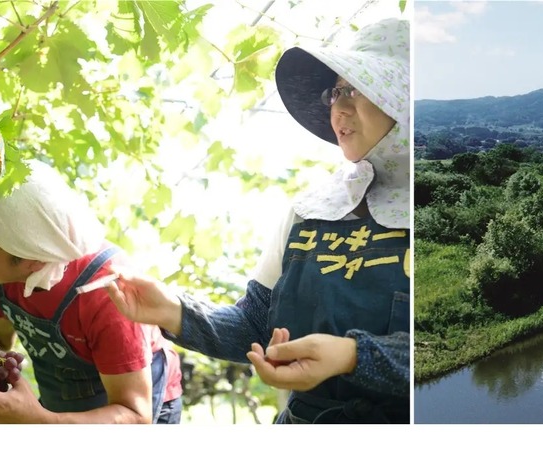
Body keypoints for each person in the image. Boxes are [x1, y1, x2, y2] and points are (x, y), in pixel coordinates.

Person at [105, 17, 410, 424]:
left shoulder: (446, 209)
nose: (339, 107)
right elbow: (256, 326)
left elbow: (450, 348)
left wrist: (353, 356)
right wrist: (174, 311)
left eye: (358, 89)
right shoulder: (311, 210)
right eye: (336, 91)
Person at [0, 161, 184, 424]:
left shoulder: (107, 295)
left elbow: (135, 417)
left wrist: (38, 422)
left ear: (34, 258)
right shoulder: (2, 270)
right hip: (61, 414)